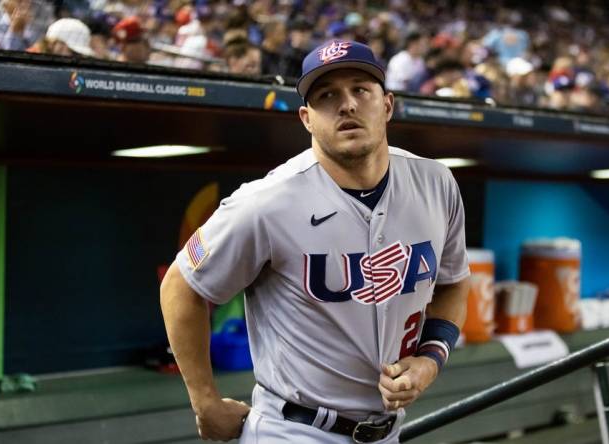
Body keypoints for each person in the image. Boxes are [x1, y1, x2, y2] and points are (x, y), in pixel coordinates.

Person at [160, 40, 470, 443]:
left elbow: (453, 281)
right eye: (327, 96)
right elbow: (180, 286)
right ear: (306, 118)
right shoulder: (266, 202)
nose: (347, 105)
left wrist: (430, 360)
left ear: (388, 105)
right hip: (294, 429)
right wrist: (206, 402)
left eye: (361, 89)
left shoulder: (436, 183)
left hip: (389, 430)